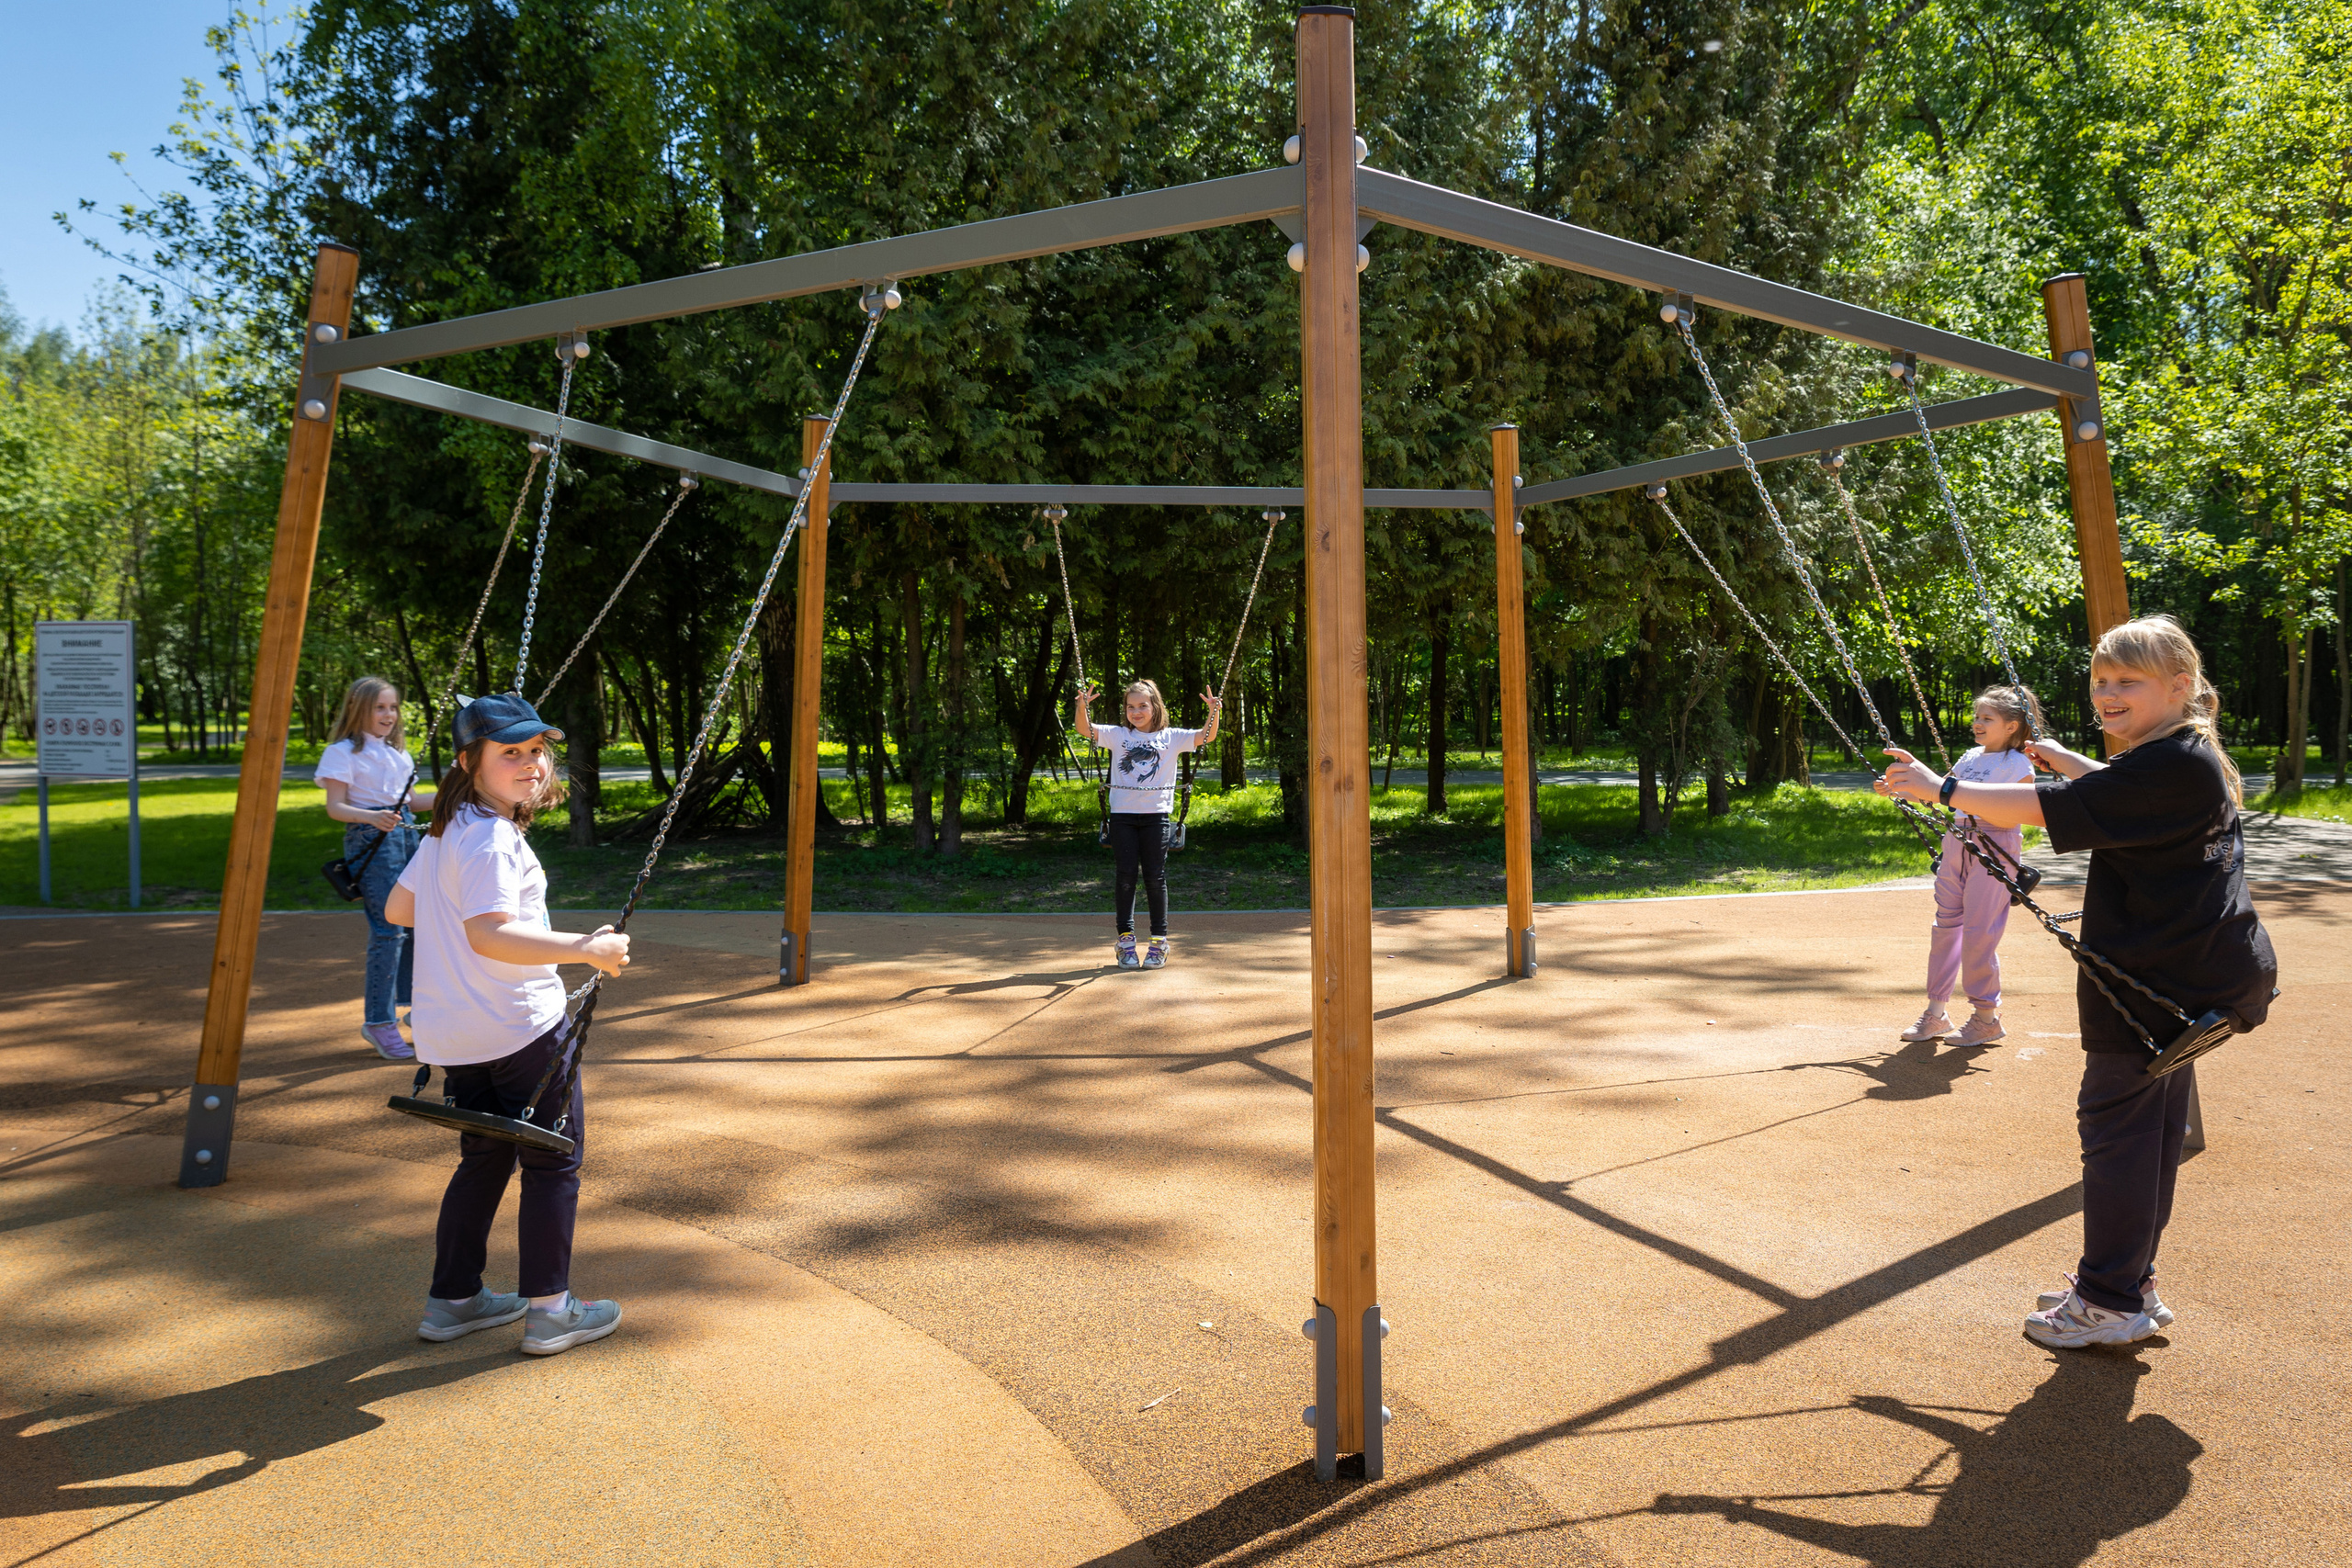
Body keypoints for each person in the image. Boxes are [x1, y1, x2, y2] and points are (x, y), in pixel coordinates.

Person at [1877, 615, 2276, 1348]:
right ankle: (2130, 1279)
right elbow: (2119, 793)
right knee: (2150, 1134)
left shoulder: (2165, 766)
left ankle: (2108, 1299)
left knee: (2118, 1135)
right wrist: (2067, 759)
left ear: (2180, 687)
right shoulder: (2186, 755)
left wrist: (1943, 789)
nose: (2108, 695)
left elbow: (2035, 809)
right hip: (2197, 980)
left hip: (2151, 987)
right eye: (2100, 682)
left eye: (2129, 682)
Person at [385, 691, 633, 1356]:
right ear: (470, 762)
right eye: (510, 753)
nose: (530, 765)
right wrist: (586, 948)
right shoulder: (491, 837)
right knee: (553, 1162)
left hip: (456, 1035)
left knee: (484, 1158)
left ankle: (454, 1298)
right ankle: (551, 1308)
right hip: (520, 1028)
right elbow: (491, 933)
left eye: (535, 751)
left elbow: (399, 908)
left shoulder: (446, 831)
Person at [1899, 684, 2044, 1048]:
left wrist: (1968, 804)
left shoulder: (2018, 765)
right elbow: (1941, 793)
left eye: (1987, 718)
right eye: (1977, 717)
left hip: (1996, 845)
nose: (1977, 723)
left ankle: (1985, 1018)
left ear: (2011, 726)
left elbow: (2020, 811)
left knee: (1980, 932)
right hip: (1957, 842)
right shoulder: (1968, 758)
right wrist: (1902, 787)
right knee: (1945, 926)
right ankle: (1936, 1013)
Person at [316, 676, 435, 1061]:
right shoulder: (342, 752)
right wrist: (371, 817)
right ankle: (379, 1021)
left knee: (421, 924)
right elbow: (335, 807)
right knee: (389, 930)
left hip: (404, 838)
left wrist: (464, 786)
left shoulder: (398, 754)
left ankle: (422, 1010)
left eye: (393, 707)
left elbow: (414, 802)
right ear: (358, 709)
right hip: (370, 840)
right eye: (379, 707)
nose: (388, 715)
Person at [1073, 677, 1221, 969]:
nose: (1136, 712)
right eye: (1130, 706)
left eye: (1142, 705)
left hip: (1157, 817)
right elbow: (1084, 729)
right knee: (1125, 877)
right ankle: (1126, 942)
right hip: (1123, 817)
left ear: (1156, 706)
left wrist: (1214, 712)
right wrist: (1082, 706)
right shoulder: (1118, 735)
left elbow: (1205, 737)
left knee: (1155, 878)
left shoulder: (1172, 737)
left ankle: (1158, 943)